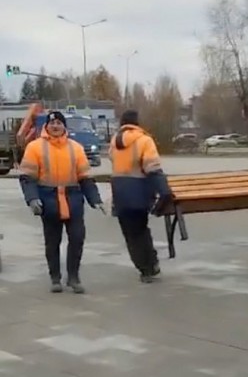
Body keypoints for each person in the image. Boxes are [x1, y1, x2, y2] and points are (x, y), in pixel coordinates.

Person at [18, 111, 105, 293]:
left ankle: (73, 277)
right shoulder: (35, 147)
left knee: (77, 238)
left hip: (73, 199)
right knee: (52, 241)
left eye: (59, 123)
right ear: (46, 127)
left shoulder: (76, 148)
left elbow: (85, 177)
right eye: (52, 123)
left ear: (64, 126)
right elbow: (27, 178)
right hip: (48, 200)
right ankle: (55, 277)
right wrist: (32, 198)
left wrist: (95, 199)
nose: (55, 126)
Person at [109, 110, 173, 283]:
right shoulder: (144, 140)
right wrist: (164, 191)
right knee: (141, 229)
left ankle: (144, 267)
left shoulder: (114, 142)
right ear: (137, 123)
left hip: (120, 192)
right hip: (139, 191)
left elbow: (113, 161)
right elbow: (153, 168)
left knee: (130, 234)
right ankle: (150, 265)